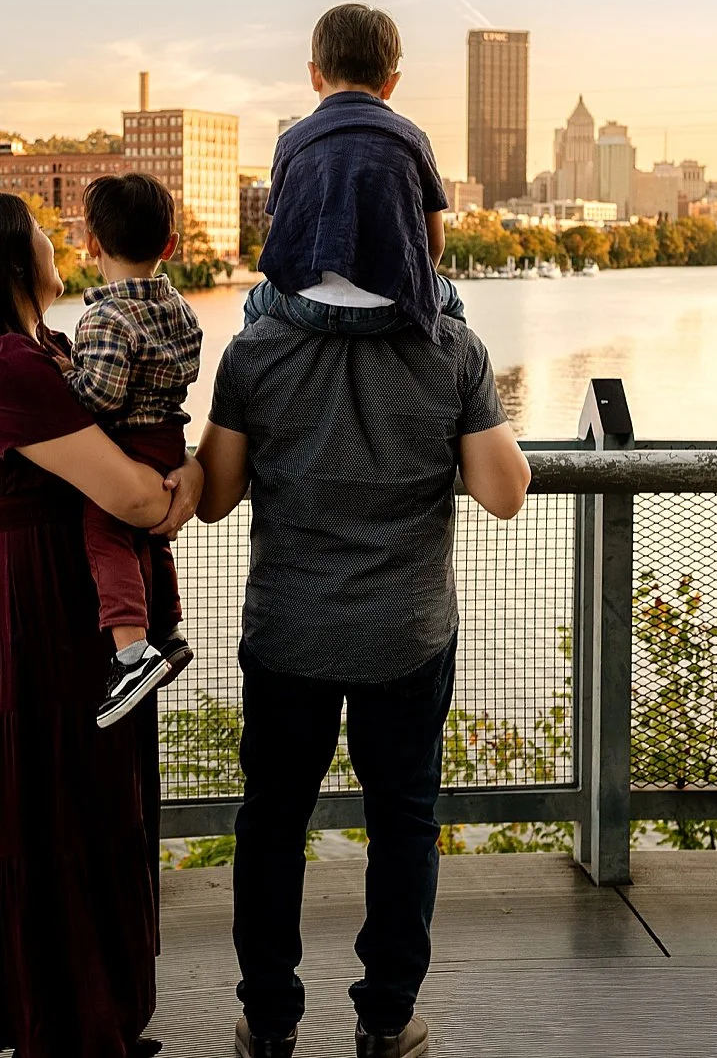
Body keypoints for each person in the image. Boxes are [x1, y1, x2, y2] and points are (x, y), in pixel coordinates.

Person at [196, 130, 532, 1054]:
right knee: (403, 827)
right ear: (412, 231)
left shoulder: (254, 350)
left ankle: (269, 1019)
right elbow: (505, 494)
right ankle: (387, 1019)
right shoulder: (451, 349)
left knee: (271, 825)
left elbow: (217, 498)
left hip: (290, 630)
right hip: (405, 634)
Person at [0, 190, 202, 1058]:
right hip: (39, 607)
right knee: (56, 809)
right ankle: (64, 1020)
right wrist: (176, 488)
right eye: (44, 236)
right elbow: (127, 490)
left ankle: (102, 1013)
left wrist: (176, 485)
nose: (61, 246)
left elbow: (140, 476)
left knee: (97, 805)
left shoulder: (52, 350)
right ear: (13, 259)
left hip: (83, 594)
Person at [55, 172, 203, 728]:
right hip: (168, 438)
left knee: (105, 536)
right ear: (169, 246)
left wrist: (66, 372)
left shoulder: (103, 317)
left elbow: (100, 394)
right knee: (152, 535)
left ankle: (131, 652)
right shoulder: (180, 309)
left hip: (128, 442)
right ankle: (167, 628)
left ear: (92, 243)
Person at [247, 2, 465, 340]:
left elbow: (281, 238)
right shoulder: (413, 140)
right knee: (451, 299)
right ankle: (442, 361)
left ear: (314, 74)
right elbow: (434, 244)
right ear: (391, 83)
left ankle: (257, 363)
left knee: (254, 303)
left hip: (308, 307)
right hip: (390, 308)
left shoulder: (291, 142)